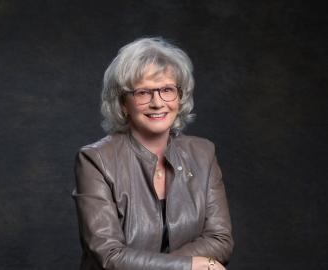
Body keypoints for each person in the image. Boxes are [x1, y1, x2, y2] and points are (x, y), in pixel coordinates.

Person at [72, 37, 233, 270]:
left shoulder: (203, 154)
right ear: (122, 103)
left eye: (167, 89)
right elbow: (109, 256)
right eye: (143, 93)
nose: (157, 103)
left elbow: (220, 240)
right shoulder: (95, 160)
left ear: (180, 97)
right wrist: (186, 266)